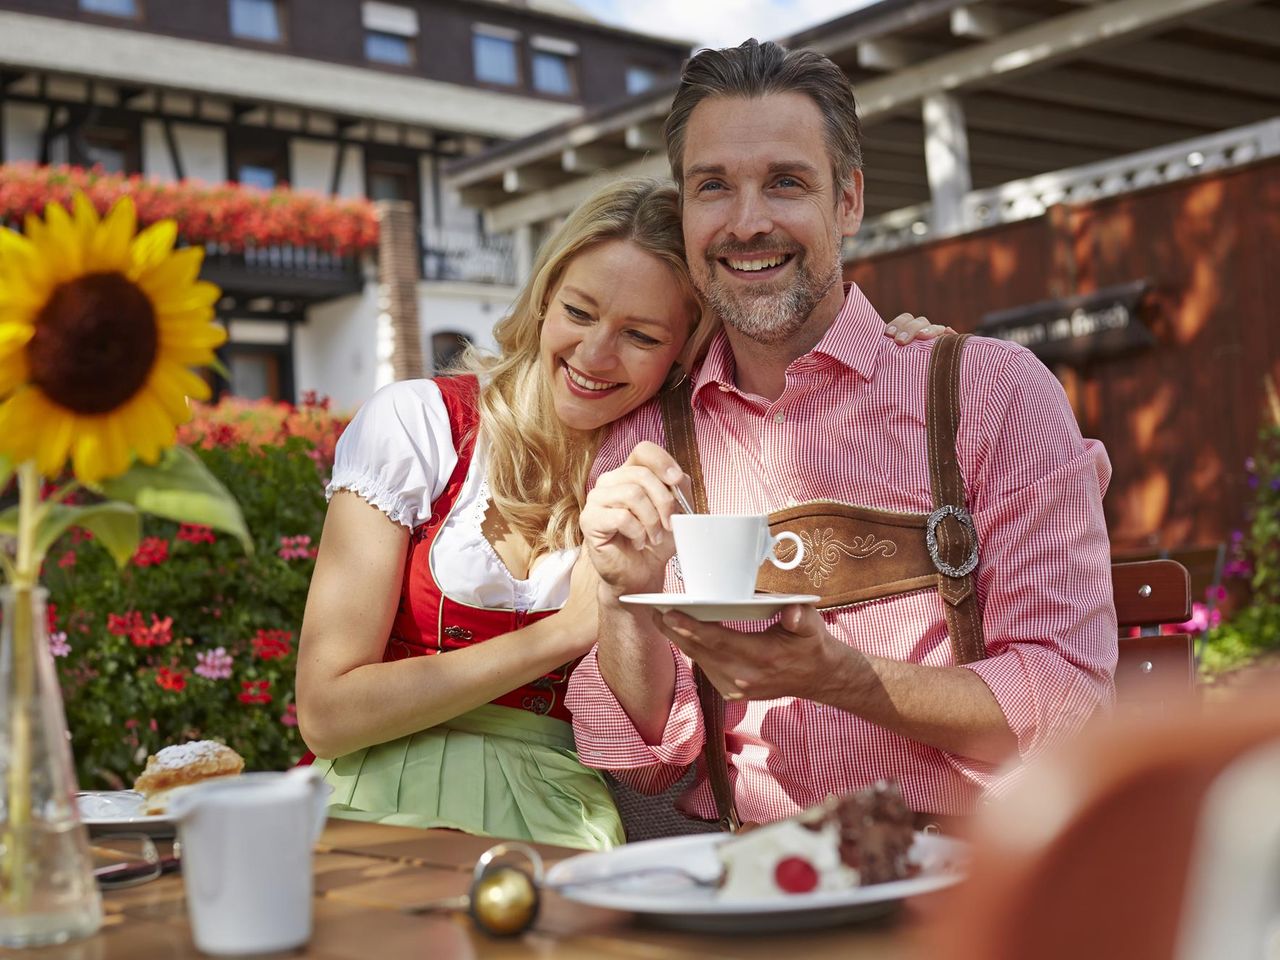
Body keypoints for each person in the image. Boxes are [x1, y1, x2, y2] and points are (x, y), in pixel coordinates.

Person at [295, 177, 942, 849]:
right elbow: (326, 713)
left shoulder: (673, 467)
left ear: (682, 355)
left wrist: (906, 355)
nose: (595, 355)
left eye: (639, 334)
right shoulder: (418, 424)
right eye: (578, 311)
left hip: (560, 818)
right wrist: (564, 632)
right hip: (375, 805)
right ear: (544, 299)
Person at [567, 40, 1118, 829]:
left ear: (849, 202)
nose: (747, 222)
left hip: (958, 876)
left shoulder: (992, 395)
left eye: (786, 183)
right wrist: (622, 596)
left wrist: (842, 677)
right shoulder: (646, 441)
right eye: (712, 187)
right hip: (741, 877)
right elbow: (641, 766)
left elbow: (1069, 701)